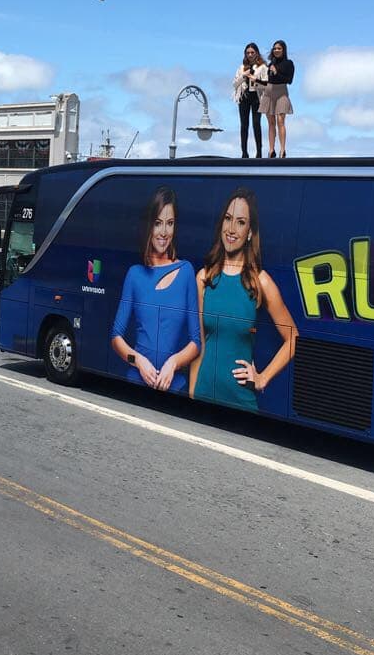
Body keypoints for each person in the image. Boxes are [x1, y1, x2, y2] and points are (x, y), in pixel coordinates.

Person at [190, 187, 298, 410]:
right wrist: (191, 394)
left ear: (250, 232)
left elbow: (293, 338)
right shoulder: (204, 278)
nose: (231, 228)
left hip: (240, 403)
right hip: (202, 394)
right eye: (228, 219)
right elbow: (198, 344)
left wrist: (263, 377)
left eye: (240, 222)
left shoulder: (261, 281)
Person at [111, 186, 201, 392]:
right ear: (149, 226)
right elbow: (116, 337)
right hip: (136, 381)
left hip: (174, 385)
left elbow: (196, 342)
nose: (163, 232)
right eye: (157, 223)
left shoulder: (186, 271)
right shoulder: (135, 274)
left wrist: (173, 363)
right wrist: (139, 362)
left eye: (169, 224)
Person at [258, 40, 294, 158]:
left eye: (279, 48)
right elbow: (268, 80)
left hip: (281, 92)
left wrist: (276, 72)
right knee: (271, 122)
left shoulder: (288, 63)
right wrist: (256, 79)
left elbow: (289, 80)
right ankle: (271, 150)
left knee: (280, 121)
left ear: (283, 50)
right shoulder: (270, 64)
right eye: (275, 48)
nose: (276, 50)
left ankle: (282, 150)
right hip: (269, 92)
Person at [232, 43, 268, 159]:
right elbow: (234, 84)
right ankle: (244, 152)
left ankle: (259, 151)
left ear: (256, 53)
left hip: (256, 97)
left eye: (252, 52)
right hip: (244, 97)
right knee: (244, 125)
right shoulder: (242, 68)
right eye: (248, 53)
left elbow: (267, 84)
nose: (250, 55)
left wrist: (256, 80)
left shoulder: (262, 67)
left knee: (256, 123)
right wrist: (244, 75)